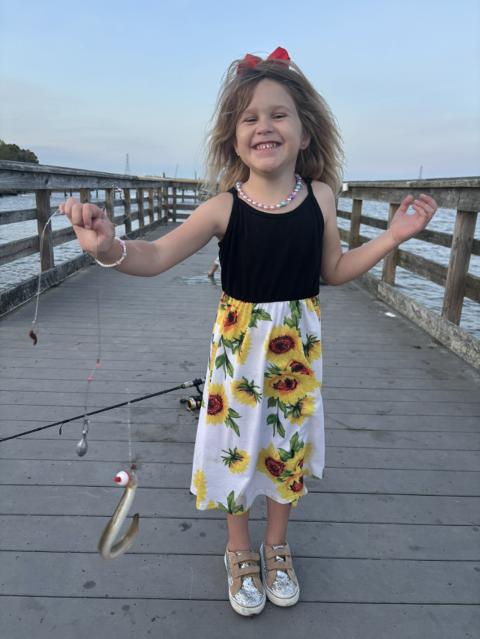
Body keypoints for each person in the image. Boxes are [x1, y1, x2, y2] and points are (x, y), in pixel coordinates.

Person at [59, 46, 438, 617]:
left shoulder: (320, 197)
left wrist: (393, 237)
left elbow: (334, 270)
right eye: (249, 118)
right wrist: (108, 248)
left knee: (287, 448)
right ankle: (239, 548)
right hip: (238, 356)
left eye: (279, 114)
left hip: (297, 355)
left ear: (305, 133)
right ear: (233, 140)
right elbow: (155, 255)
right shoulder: (222, 208)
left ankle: (276, 545)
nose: (264, 126)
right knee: (236, 450)